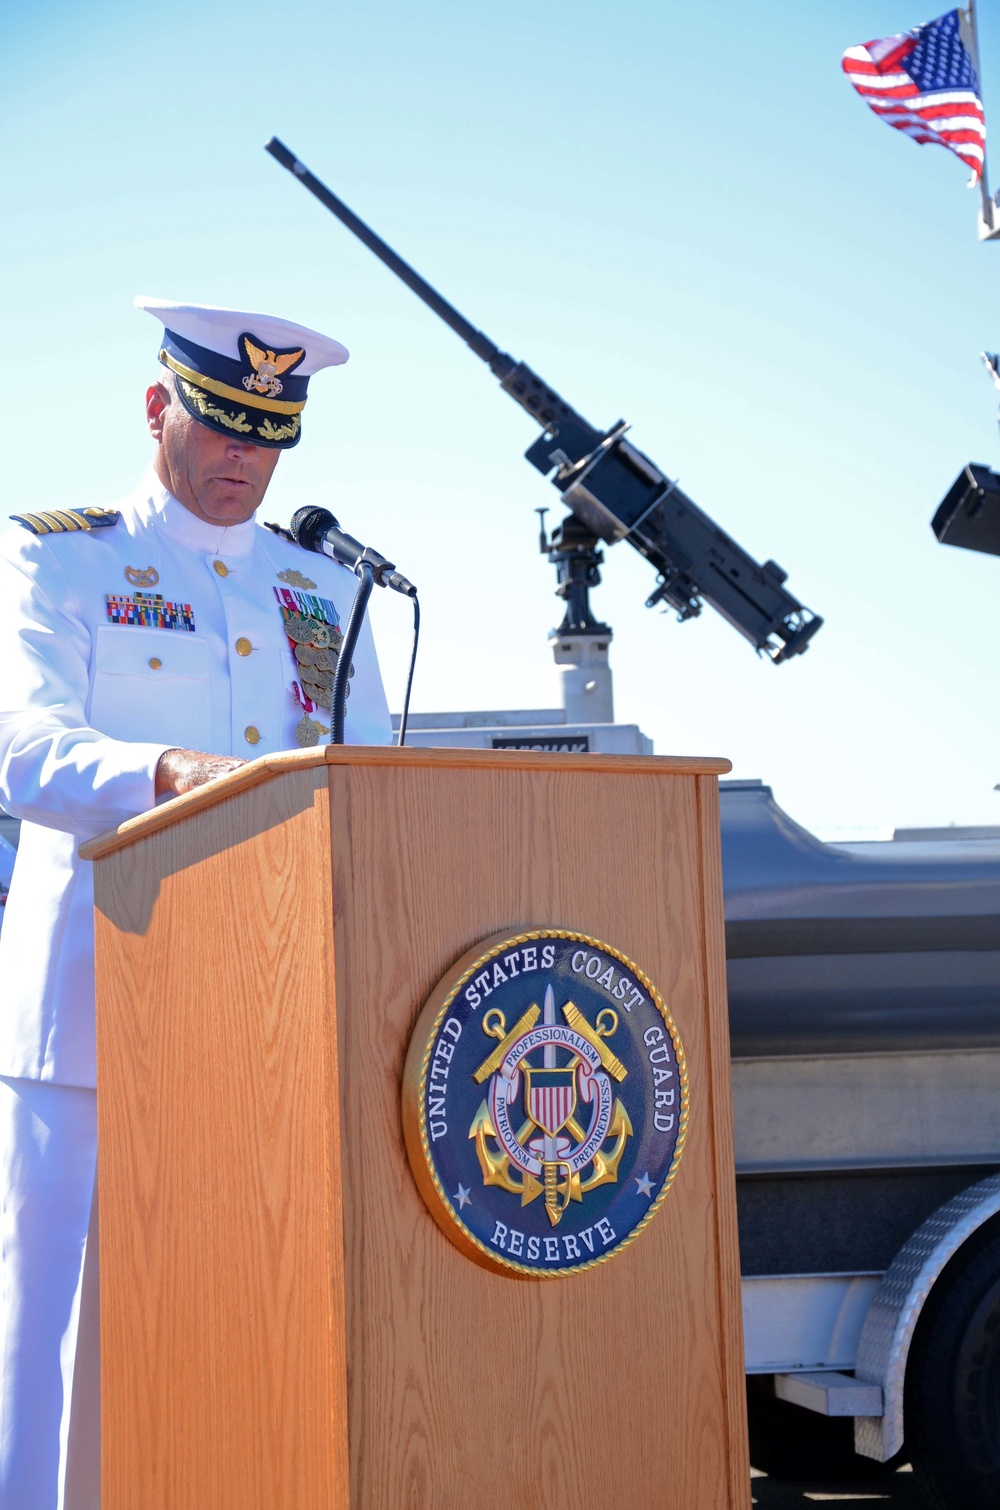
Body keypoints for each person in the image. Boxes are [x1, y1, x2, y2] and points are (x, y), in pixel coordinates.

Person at [0, 297, 391, 1509]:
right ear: (159, 407)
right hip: (90, 1020)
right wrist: (172, 774)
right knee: (54, 1355)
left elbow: (363, 776)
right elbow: (22, 749)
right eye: (222, 425)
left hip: (264, 1032)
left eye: (269, 436)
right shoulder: (58, 554)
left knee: (242, 1339)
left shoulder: (321, 591)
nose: (244, 459)